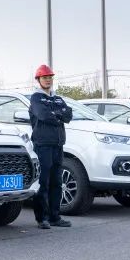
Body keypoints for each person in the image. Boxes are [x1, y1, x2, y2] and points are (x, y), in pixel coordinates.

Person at [28, 65, 73, 229]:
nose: (48, 80)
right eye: (44, 77)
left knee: (57, 182)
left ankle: (55, 217)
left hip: (58, 145)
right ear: (38, 80)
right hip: (43, 145)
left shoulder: (57, 98)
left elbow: (69, 114)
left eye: (50, 77)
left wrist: (57, 114)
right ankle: (42, 218)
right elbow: (43, 115)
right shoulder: (36, 98)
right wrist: (58, 114)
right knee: (43, 182)